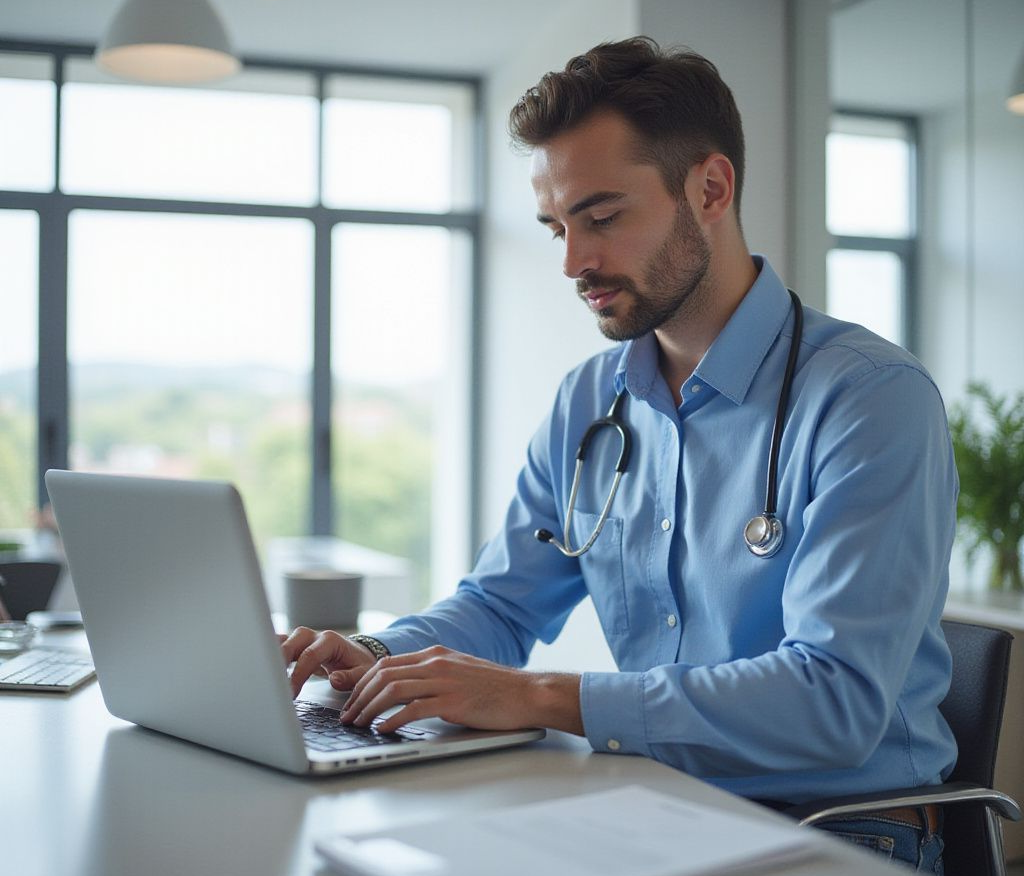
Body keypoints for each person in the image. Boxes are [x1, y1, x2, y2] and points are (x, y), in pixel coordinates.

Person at [281, 37, 956, 871]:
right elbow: (501, 606)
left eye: (601, 218)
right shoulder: (588, 402)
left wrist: (538, 697)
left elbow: (835, 700)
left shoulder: (868, 399)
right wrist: (384, 658)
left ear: (710, 189)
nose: (574, 262)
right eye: (558, 226)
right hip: (650, 802)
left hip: (840, 826)